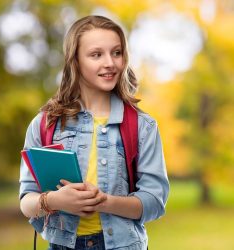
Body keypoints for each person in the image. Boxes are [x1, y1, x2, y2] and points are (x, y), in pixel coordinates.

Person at [19, 15, 169, 250]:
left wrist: (105, 202)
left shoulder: (142, 126)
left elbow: (154, 202)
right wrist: (53, 200)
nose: (110, 63)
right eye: (96, 54)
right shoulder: (45, 124)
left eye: (117, 53)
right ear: (75, 61)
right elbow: (26, 201)